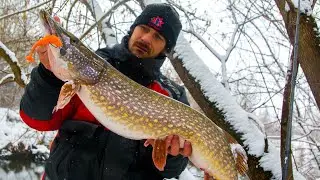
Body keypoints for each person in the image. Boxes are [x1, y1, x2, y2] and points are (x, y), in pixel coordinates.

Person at [20, 3, 192, 180]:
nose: (146, 38)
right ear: (133, 29)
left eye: (157, 36)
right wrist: (48, 75)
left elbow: (170, 170)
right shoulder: (91, 67)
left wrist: (173, 154)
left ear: (165, 48)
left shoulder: (173, 96)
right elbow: (37, 120)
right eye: (144, 28)